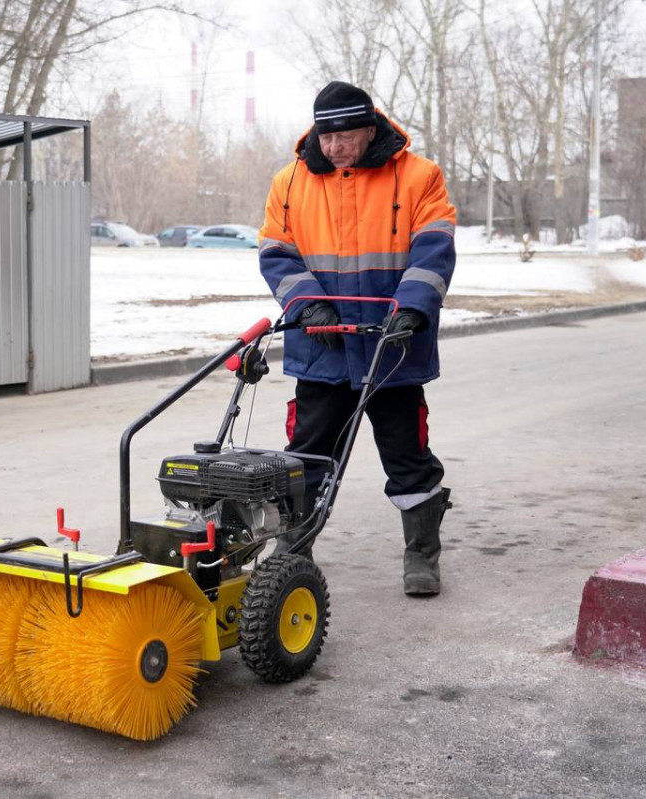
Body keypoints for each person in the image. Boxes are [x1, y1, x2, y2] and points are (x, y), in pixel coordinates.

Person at [258, 80, 456, 596]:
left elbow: (433, 249)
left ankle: (421, 556)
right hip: (322, 348)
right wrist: (309, 306)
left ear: (370, 129)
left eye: (343, 136)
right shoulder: (291, 181)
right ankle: (293, 550)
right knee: (307, 456)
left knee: (407, 456)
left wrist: (412, 308)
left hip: (393, 349)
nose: (333, 147)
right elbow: (277, 253)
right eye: (325, 137)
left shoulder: (419, 177)